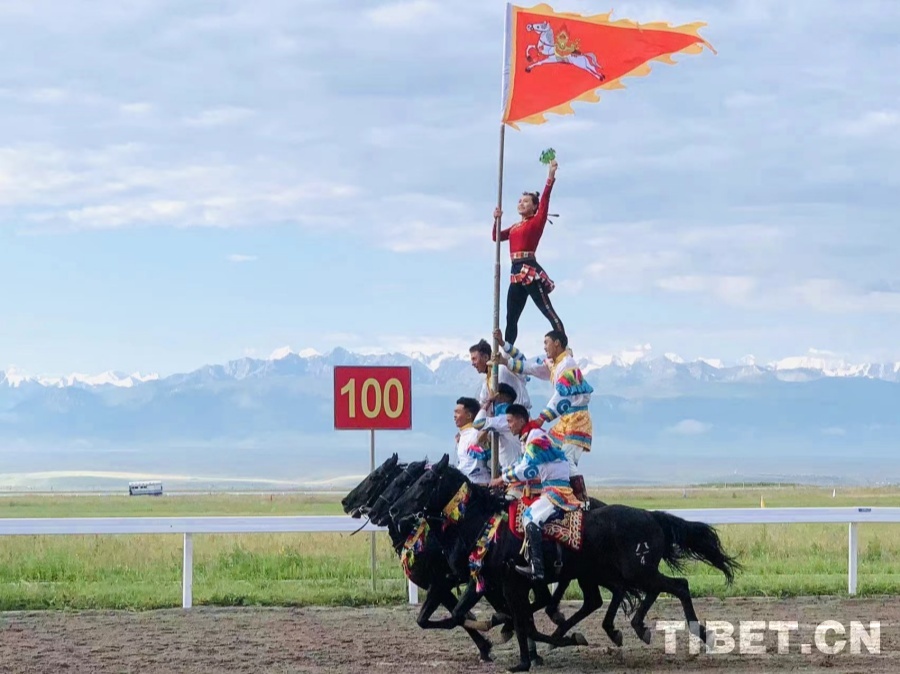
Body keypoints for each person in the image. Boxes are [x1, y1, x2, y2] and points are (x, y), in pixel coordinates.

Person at [492, 328, 592, 504]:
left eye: (546, 343)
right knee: (550, 451)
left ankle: (582, 501)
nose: (544, 347)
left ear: (557, 343)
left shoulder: (568, 365)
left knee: (566, 459)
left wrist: (542, 417)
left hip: (577, 420)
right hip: (565, 421)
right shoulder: (554, 363)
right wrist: (504, 352)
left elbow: (562, 395)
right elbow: (529, 366)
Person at [489, 403, 582, 580]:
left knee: (530, 517)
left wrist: (501, 479)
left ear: (521, 420)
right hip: (548, 485)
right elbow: (522, 465)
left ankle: (537, 568)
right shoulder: (529, 437)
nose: (508, 426)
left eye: (510, 421)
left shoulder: (535, 438)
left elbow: (527, 469)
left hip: (556, 488)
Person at [492, 158, 566, 346]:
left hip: (529, 270)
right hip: (515, 272)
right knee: (511, 317)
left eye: (526, 201)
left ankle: (563, 344)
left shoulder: (537, 221)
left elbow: (546, 198)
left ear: (534, 206)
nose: (521, 203)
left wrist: (550, 176)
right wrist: (496, 219)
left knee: (546, 309)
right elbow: (496, 237)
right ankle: (507, 353)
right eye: (519, 201)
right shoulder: (516, 226)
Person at [469, 338, 531, 411]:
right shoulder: (486, 383)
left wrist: (503, 343)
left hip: (519, 415)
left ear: (485, 357)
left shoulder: (503, 368)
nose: (472, 363)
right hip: (503, 418)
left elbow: (523, 365)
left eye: (474, 359)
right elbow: (482, 403)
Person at [453, 396, 491, 485]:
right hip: (466, 482)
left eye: (458, 412)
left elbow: (480, 433)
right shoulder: (463, 435)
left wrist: (487, 405)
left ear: (469, 415)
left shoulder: (475, 432)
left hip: (479, 484)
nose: (454, 416)